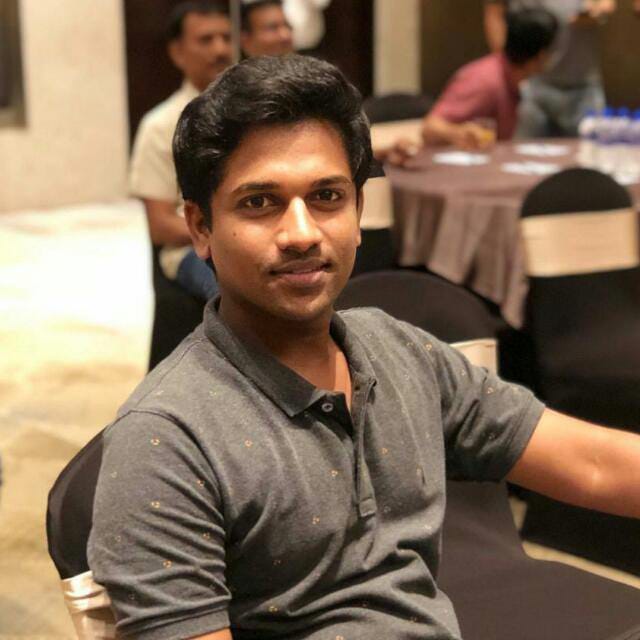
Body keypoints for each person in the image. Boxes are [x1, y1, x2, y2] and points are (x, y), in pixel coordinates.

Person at [88, 55, 640, 640]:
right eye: (259, 202)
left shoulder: (400, 353)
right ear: (200, 227)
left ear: (359, 214)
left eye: (327, 196)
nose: (302, 233)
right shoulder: (165, 442)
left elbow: (593, 464)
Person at [129, 1, 232, 302]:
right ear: (177, 52)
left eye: (226, 38)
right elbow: (160, 225)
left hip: (248, 237)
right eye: (206, 39)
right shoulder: (161, 125)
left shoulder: (252, 114)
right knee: (235, 295)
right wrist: (231, 232)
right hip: (190, 251)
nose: (220, 49)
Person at [422, 8, 558, 150]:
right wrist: (458, 133)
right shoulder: (485, 80)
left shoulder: (514, 78)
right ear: (541, 54)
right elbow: (430, 128)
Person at [484, 0, 615, 138]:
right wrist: (509, 71)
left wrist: (597, 11)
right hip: (530, 86)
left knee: (592, 149)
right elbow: (494, 12)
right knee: (521, 149)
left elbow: (606, 5)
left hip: (582, 86)